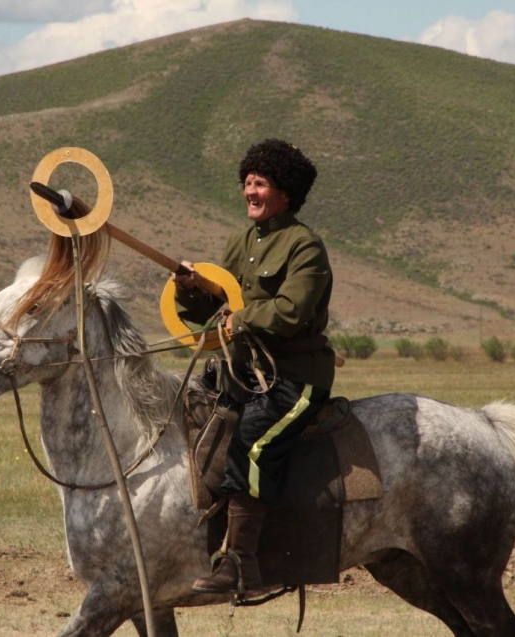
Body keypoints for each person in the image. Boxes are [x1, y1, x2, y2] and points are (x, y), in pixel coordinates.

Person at [174, 138, 336, 595]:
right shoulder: (239, 242)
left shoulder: (305, 246)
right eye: (247, 182)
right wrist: (189, 288)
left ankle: (239, 562)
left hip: (295, 378)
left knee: (253, 443)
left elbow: (290, 312)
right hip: (241, 375)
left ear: (284, 191)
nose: (250, 191)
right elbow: (214, 307)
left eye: (260, 183)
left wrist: (237, 320)